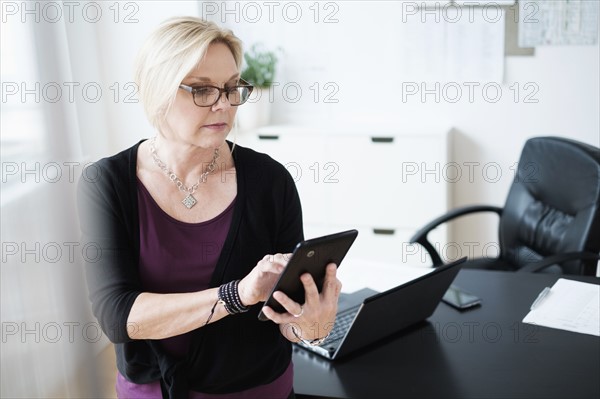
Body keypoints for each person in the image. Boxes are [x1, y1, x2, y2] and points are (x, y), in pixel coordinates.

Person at [77, 16, 341, 399]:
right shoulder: (107, 184)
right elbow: (119, 316)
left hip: (259, 389)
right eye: (202, 90)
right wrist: (237, 294)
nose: (224, 104)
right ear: (158, 91)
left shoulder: (271, 181)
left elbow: (288, 316)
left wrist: (312, 326)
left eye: (233, 88)